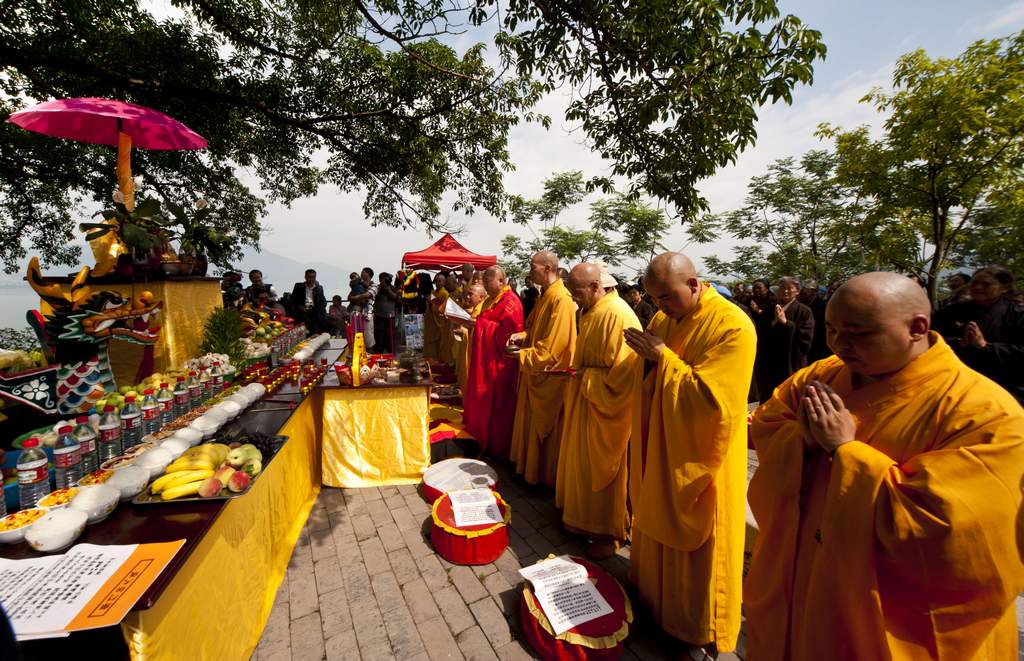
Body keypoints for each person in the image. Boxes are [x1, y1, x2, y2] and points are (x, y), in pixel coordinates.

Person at [745, 272, 1024, 661]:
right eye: (832, 330)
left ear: (917, 328)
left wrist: (847, 451)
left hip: (881, 610)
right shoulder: (822, 375)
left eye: (858, 333)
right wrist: (803, 440)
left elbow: (954, 533)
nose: (840, 344)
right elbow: (766, 425)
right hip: (800, 575)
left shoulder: (984, 412)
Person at [623, 252, 755, 654]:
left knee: (700, 543)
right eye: (655, 300)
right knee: (654, 520)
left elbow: (713, 403)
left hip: (702, 456)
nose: (659, 308)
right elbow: (648, 375)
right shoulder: (664, 319)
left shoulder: (733, 326)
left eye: (667, 297)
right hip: (662, 444)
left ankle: (694, 626)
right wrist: (650, 363)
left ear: (694, 284)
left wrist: (662, 358)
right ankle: (653, 603)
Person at [556, 262, 640, 559]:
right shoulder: (590, 312)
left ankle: (611, 533)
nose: (572, 298)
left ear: (595, 287)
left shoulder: (619, 315)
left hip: (607, 408)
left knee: (606, 472)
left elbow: (627, 374)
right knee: (583, 465)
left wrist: (585, 377)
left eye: (575, 292)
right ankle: (583, 521)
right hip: (587, 401)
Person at [508, 251, 577, 487]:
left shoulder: (561, 298)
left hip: (549, 377)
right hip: (536, 372)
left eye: (532, 266)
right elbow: (540, 332)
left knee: (546, 433)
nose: (530, 270)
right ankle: (531, 474)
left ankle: (544, 480)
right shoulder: (545, 295)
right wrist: (523, 336)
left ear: (548, 268)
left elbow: (553, 348)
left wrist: (524, 355)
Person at [456, 265, 524, 458]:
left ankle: (496, 447)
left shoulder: (511, 302)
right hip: (485, 362)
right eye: (484, 280)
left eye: (488, 281)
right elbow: (484, 322)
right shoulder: (491, 301)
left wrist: (478, 325)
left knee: (497, 407)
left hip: (500, 365)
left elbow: (507, 335)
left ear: (502, 281)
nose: (485, 284)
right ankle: (480, 440)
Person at [933, 266, 1023, 403]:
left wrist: (985, 346)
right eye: (974, 283)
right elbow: (932, 337)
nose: (978, 287)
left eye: (986, 284)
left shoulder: (1017, 315)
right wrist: (956, 342)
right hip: (953, 381)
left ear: (1004, 288)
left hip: (1001, 387)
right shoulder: (953, 311)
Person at [754, 276, 813, 402]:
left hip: (790, 362)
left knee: (789, 400)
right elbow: (760, 333)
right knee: (768, 400)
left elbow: (805, 339)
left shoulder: (804, 311)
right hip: (769, 362)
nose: (785, 291)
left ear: (797, 291)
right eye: (782, 288)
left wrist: (786, 323)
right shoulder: (770, 310)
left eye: (789, 288)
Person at [454, 283, 487, 390]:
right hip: (467, 349)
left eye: (470, 294)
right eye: (467, 294)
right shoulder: (475, 308)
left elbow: (481, 332)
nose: (467, 297)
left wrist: (463, 332)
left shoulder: (483, 310)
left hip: (475, 352)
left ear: (481, 298)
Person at [290, 269, 327, 334]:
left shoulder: (319, 288)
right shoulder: (299, 287)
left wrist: (319, 309)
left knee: (315, 332)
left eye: (313, 277)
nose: (311, 279)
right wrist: (300, 307)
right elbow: (293, 300)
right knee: (302, 332)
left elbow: (323, 301)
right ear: (305, 277)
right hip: (302, 312)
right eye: (309, 277)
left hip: (315, 314)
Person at [374, 272, 399, 354]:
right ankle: (379, 351)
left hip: (390, 315)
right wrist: (381, 286)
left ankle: (391, 351)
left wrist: (388, 289)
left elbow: (396, 297)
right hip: (379, 315)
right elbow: (373, 295)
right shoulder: (377, 288)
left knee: (390, 335)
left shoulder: (392, 288)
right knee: (379, 334)